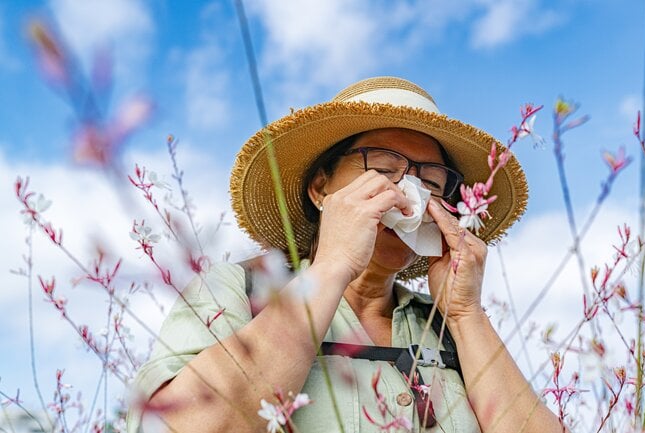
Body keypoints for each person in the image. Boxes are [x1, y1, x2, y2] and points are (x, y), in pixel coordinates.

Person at [126, 76, 563, 432]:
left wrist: (467, 314)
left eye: (430, 182)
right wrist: (332, 265)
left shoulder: (448, 326)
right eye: (384, 169)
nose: (407, 197)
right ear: (321, 188)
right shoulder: (238, 292)